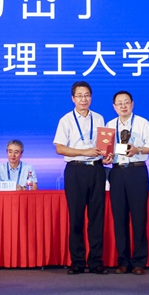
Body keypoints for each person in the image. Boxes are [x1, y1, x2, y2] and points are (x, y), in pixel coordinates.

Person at [54, 81, 112, 275]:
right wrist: (84, 151)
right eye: (79, 96)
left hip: (96, 170)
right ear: (73, 98)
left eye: (87, 95)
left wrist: (107, 156)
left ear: (91, 97)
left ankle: (96, 262)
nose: (83, 99)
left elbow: (104, 146)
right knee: (76, 218)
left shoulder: (99, 118)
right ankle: (77, 262)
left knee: (97, 218)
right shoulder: (66, 120)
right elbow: (59, 148)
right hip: (75, 170)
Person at [107, 91, 149, 275]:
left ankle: (138, 262)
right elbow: (107, 150)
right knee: (119, 218)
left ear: (132, 104)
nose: (123, 106)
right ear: (114, 107)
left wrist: (138, 149)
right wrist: (106, 158)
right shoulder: (109, 126)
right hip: (117, 172)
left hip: (137, 171)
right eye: (119, 103)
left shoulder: (143, 123)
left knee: (138, 218)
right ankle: (123, 261)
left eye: (126, 102)